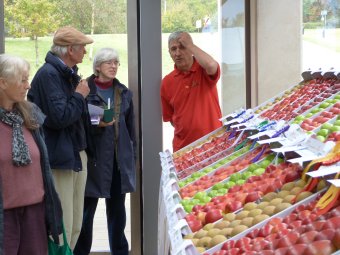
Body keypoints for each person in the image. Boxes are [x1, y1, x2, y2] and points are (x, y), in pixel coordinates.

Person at [27, 26, 93, 249]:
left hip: (74, 154)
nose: (85, 52)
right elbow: (60, 117)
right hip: (60, 159)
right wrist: (79, 96)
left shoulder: (66, 74)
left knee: (75, 224)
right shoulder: (49, 75)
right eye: (82, 47)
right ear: (69, 50)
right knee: (63, 225)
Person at [73, 47, 136, 255]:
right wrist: (95, 121)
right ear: (97, 66)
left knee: (118, 215)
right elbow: (77, 120)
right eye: (109, 62)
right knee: (85, 215)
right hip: (93, 160)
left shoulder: (123, 92)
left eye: (116, 62)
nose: (114, 66)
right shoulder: (83, 89)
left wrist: (131, 158)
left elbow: (130, 128)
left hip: (118, 162)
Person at [0, 54, 63, 254]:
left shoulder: (31, 114)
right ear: (2, 83)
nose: (28, 85)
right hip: (5, 218)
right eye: (23, 80)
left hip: (35, 214)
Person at [161, 31, 222, 152]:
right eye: (173, 49)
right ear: (169, 53)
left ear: (191, 49)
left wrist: (190, 45)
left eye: (182, 47)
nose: (177, 53)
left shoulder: (203, 69)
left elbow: (211, 64)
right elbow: (171, 119)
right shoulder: (167, 82)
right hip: (183, 149)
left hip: (213, 144)